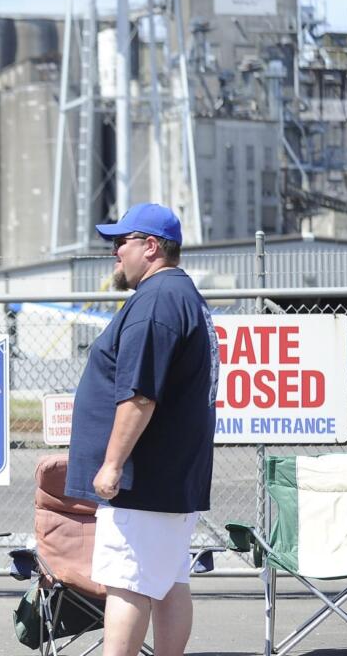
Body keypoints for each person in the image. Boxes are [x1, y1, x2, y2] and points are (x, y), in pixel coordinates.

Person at [65, 203, 219, 656]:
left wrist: (112, 465)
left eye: (120, 243)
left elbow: (139, 396)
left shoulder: (156, 302)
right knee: (169, 581)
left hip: (143, 480)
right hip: (170, 477)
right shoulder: (181, 295)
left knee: (127, 584)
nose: (114, 254)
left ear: (150, 247)